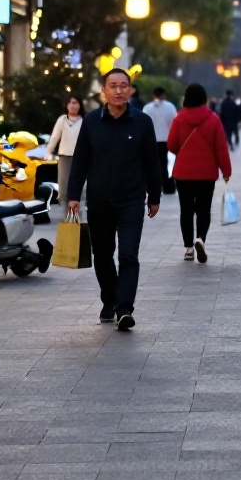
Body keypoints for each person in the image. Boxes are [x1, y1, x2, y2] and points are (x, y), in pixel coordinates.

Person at [65, 68, 164, 331]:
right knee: (103, 255)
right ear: (104, 92)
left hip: (131, 200)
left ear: (130, 90)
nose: (119, 91)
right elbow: (81, 160)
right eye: (113, 86)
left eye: (124, 86)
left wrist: (155, 196)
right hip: (99, 201)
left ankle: (124, 308)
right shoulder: (92, 122)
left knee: (129, 254)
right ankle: (109, 299)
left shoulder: (142, 122)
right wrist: (73, 195)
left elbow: (152, 162)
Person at [168, 83, 232, 263]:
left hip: (183, 173)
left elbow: (171, 145)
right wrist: (226, 171)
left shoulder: (179, 119)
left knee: (186, 210)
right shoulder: (213, 119)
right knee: (204, 209)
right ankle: (200, 239)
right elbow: (221, 148)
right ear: (205, 98)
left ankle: (188, 248)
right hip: (206, 173)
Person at [47, 95, 84, 196]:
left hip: (81, 157)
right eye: (70, 102)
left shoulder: (84, 120)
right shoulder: (62, 119)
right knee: (63, 183)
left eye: (75, 102)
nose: (72, 105)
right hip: (65, 156)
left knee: (80, 183)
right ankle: (63, 203)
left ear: (80, 105)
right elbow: (55, 137)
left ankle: (79, 204)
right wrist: (48, 152)